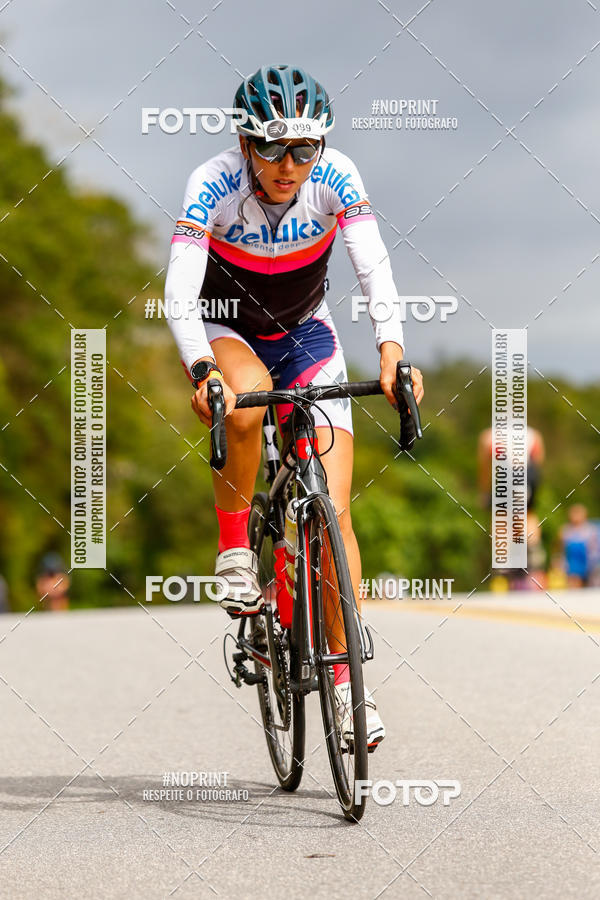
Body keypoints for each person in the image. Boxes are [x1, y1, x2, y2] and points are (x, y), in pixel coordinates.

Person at [164, 65, 424, 749]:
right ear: (245, 143)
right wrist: (201, 370)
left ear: (321, 146)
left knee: (334, 512)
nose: (289, 165)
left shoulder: (339, 177)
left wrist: (392, 352)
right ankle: (233, 551)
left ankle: (346, 689)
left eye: (304, 148)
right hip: (229, 327)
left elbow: (373, 268)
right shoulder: (211, 182)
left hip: (308, 333)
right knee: (245, 411)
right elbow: (181, 294)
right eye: (273, 148)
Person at [479, 425, 546, 588]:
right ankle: (533, 551)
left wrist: (484, 490)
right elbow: (538, 462)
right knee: (528, 514)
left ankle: (503, 561)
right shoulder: (533, 433)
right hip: (528, 474)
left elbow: (485, 466)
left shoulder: (488, 435)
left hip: (506, 473)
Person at [560, 504, 599, 587]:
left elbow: (594, 550)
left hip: (590, 564)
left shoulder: (591, 530)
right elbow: (562, 550)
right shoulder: (566, 531)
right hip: (573, 567)